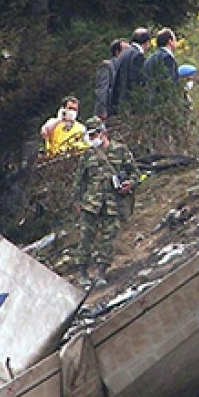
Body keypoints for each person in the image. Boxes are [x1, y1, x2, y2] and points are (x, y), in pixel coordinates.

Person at [73, 116, 139, 287]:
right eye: (90, 135)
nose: (93, 138)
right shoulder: (87, 155)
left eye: (95, 134)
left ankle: (101, 272)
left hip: (113, 202)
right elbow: (79, 180)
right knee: (86, 238)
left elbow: (135, 173)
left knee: (109, 238)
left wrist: (129, 184)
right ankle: (82, 273)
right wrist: (77, 201)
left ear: (103, 133)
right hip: (91, 203)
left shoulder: (120, 150)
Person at [110, 28, 151, 115]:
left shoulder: (124, 53)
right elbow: (136, 82)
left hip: (120, 103)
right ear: (147, 42)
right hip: (131, 106)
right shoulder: (137, 56)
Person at [95, 38, 126, 118]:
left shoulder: (126, 67)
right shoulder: (107, 66)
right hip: (109, 111)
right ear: (117, 52)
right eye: (126, 50)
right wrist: (102, 111)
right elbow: (102, 89)